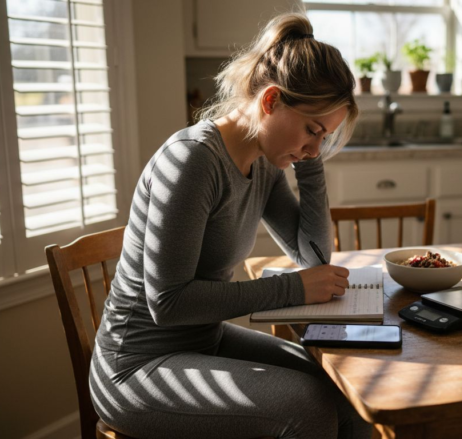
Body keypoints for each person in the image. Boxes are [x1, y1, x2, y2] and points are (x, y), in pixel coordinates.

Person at [90, 12, 371, 439]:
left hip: (202, 343)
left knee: (341, 387)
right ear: (271, 101)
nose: (315, 148)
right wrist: (293, 289)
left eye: (325, 137)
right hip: (137, 367)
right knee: (307, 407)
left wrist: (310, 162)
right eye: (312, 130)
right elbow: (167, 304)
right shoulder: (193, 161)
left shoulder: (264, 163)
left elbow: (311, 255)